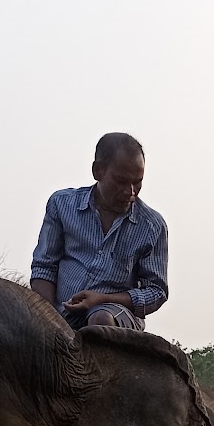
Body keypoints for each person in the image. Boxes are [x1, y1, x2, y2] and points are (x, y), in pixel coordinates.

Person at [29, 132, 168, 330]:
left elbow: (156, 291)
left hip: (117, 314)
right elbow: (44, 267)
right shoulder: (61, 204)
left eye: (137, 182)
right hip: (60, 313)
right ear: (98, 171)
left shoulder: (152, 226)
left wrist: (102, 299)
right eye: (121, 181)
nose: (130, 192)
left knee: (101, 319)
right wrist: (49, 320)